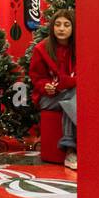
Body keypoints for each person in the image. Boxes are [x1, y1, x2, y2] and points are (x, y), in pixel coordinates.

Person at [30, 9, 77, 170]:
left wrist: (67, 82)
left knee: (70, 98)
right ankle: (70, 151)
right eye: (57, 25)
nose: (61, 29)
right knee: (73, 96)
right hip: (48, 98)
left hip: (69, 94)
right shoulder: (42, 49)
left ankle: (70, 147)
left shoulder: (80, 48)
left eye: (66, 25)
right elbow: (36, 78)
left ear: (73, 28)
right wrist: (45, 86)